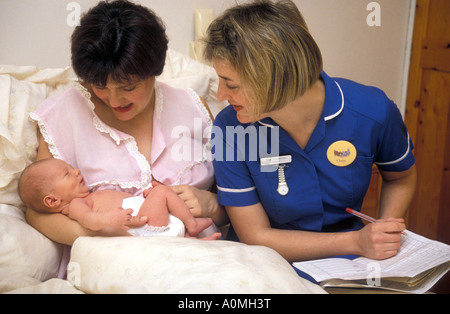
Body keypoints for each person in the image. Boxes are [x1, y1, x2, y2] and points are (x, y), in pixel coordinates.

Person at [204, 0, 417, 263]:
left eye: (232, 85)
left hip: (349, 265)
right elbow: (256, 235)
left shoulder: (373, 111)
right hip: (264, 265)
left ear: (276, 78)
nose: (220, 95)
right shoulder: (230, 128)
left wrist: (384, 232)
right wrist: (357, 241)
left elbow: (400, 177)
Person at [26, 0, 227, 248]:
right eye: (99, 85)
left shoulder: (193, 108)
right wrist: (109, 233)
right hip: (112, 261)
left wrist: (213, 206)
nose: (114, 99)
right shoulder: (62, 116)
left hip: (204, 255)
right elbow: (38, 212)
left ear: (155, 70)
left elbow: (243, 196)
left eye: (128, 87)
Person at [19, 159, 221, 240]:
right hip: (142, 227)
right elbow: (89, 220)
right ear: (52, 201)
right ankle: (192, 224)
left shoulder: (89, 197)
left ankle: (195, 240)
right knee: (162, 193)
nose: (76, 171)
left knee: (157, 194)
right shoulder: (76, 205)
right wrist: (110, 220)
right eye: (67, 174)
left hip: (146, 222)